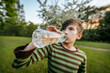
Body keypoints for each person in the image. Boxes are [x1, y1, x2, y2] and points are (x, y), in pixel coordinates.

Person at [12, 18, 87, 73]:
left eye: (71, 29)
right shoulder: (52, 47)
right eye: (63, 29)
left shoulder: (82, 56)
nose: (66, 32)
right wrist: (38, 40)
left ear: (79, 36)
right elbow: (18, 64)